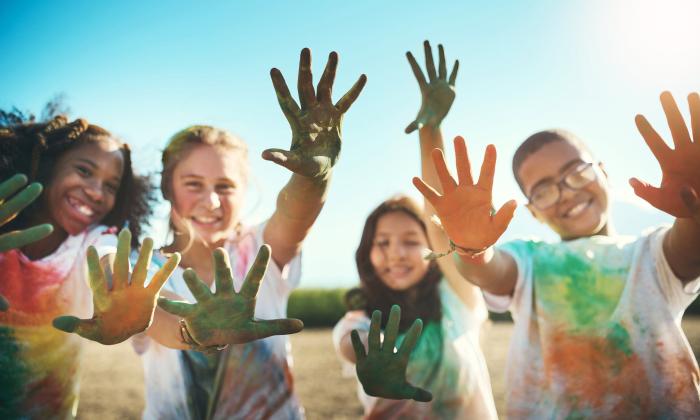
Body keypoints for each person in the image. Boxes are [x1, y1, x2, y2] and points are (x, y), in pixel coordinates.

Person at [413, 91, 700, 418]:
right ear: (533, 212)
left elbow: (691, 249)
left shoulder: (652, 254)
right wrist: (472, 247)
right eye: (544, 190)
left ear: (603, 172)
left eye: (577, 172)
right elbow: (488, 270)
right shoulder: (530, 261)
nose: (566, 193)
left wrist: (696, 207)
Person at [134, 47, 366, 419]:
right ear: (166, 187)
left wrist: (315, 177)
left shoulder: (259, 249)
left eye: (225, 186)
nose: (211, 201)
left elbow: (296, 212)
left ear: (245, 192)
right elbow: (154, 321)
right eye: (193, 183)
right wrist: (196, 333)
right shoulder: (144, 266)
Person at [333, 41, 498, 419]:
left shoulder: (458, 298)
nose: (396, 253)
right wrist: (368, 352)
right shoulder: (359, 317)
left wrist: (431, 130)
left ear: (433, 250)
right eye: (383, 243)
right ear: (367, 253)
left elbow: (439, 216)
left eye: (411, 241)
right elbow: (348, 343)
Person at [0, 112, 176, 418]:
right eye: (84, 170)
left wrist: (197, 325)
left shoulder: (94, 239)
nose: (96, 191)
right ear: (49, 166)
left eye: (110, 186)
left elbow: (110, 259)